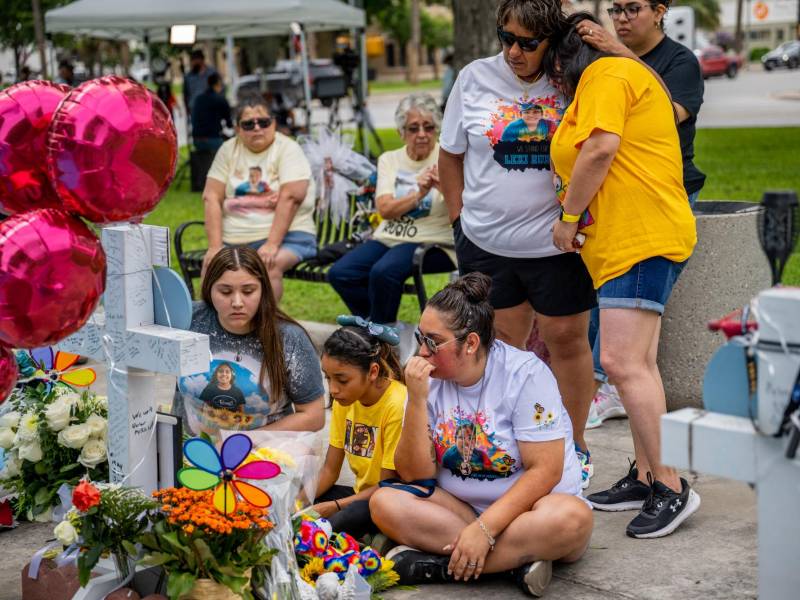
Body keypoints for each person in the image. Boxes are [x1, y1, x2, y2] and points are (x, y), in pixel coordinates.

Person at [548, 14, 699, 538]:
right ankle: (643, 472)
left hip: (640, 241)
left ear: (565, 60)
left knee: (619, 361)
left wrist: (567, 218)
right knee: (640, 366)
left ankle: (671, 485)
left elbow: (601, 148)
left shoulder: (606, 76)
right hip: (629, 243)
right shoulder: (614, 76)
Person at [438, 0, 597, 488]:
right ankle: (510, 443)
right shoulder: (473, 77)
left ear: (553, 42)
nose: (513, 51)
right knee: (500, 348)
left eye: (528, 43)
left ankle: (574, 446)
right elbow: (451, 155)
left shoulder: (574, 80)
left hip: (558, 245)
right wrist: (459, 220)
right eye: (505, 38)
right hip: (486, 243)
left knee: (566, 343)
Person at [369, 274, 592, 598]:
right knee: (385, 502)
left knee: (572, 519)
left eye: (432, 341)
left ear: (471, 343)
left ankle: (436, 566)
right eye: (420, 337)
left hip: (529, 513)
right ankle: (514, 563)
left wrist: (485, 531)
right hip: (461, 510)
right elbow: (416, 475)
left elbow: (546, 471)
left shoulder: (525, 375)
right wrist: (415, 401)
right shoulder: (428, 380)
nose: (421, 351)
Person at [576, 0, 707, 428]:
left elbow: (666, 112)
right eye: (614, 10)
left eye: (632, 8)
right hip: (614, 204)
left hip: (661, 200)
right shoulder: (601, 61)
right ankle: (612, 397)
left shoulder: (680, 61)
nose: (621, 19)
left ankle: (606, 389)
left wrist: (619, 54)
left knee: (627, 340)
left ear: (660, 11)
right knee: (609, 316)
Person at [327, 93, 455, 331]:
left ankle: (379, 338)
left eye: (429, 127)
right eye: (413, 128)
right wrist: (419, 192)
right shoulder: (390, 159)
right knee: (341, 273)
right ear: (401, 132)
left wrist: (444, 187)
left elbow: (465, 206)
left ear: (437, 130)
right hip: (389, 237)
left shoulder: (448, 158)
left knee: (383, 272)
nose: (422, 134)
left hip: (433, 242)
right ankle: (378, 329)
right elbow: (385, 209)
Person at [173, 246, 325, 439]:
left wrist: (248, 440)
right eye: (225, 291)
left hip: (261, 458)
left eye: (248, 291)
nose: (237, 302)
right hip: (187, 450)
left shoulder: (290, 338)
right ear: (209, 289)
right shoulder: (186, 319)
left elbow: (313, 416)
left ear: (263, 290)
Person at [201, 94, 317, 301]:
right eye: (248, 124)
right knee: (213, 267)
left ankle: (266, 329)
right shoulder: (228, 150)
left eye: (263, 122)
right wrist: (215, 247)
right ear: (237, 129)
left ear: (273, 123)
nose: (257, 128)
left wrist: (272, 244)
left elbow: (291, 197)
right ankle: (214, 329)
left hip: (288, 237)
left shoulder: (288, 149)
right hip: (234, 239)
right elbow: (211, 196)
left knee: (267, 265)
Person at [311, 316, 406, 539]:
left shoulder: (397, 404)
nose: (332, 389)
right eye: (328, 378)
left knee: (346, 514)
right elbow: (330, 471)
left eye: (342, 380)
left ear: (373, 372)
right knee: (309, 500)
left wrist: (334, 506)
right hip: (360, 495)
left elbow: (387, 485)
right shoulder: (346, 399)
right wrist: (296, 502)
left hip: (388, 501)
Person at [191, 72, 232, 153]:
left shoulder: (198, 99)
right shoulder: (221, 99)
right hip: (213, 140)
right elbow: (229, 124)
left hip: (197, 140)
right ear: (219, 83)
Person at [183, 49, 218, 118]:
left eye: (194, 60)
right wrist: (187, 110)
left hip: (211, 109)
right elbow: (186, 94)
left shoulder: (212, 73)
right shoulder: (188, 76)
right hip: (195, 110)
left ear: (201, 60)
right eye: (192, 61)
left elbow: (219, 89)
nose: (192, 63)